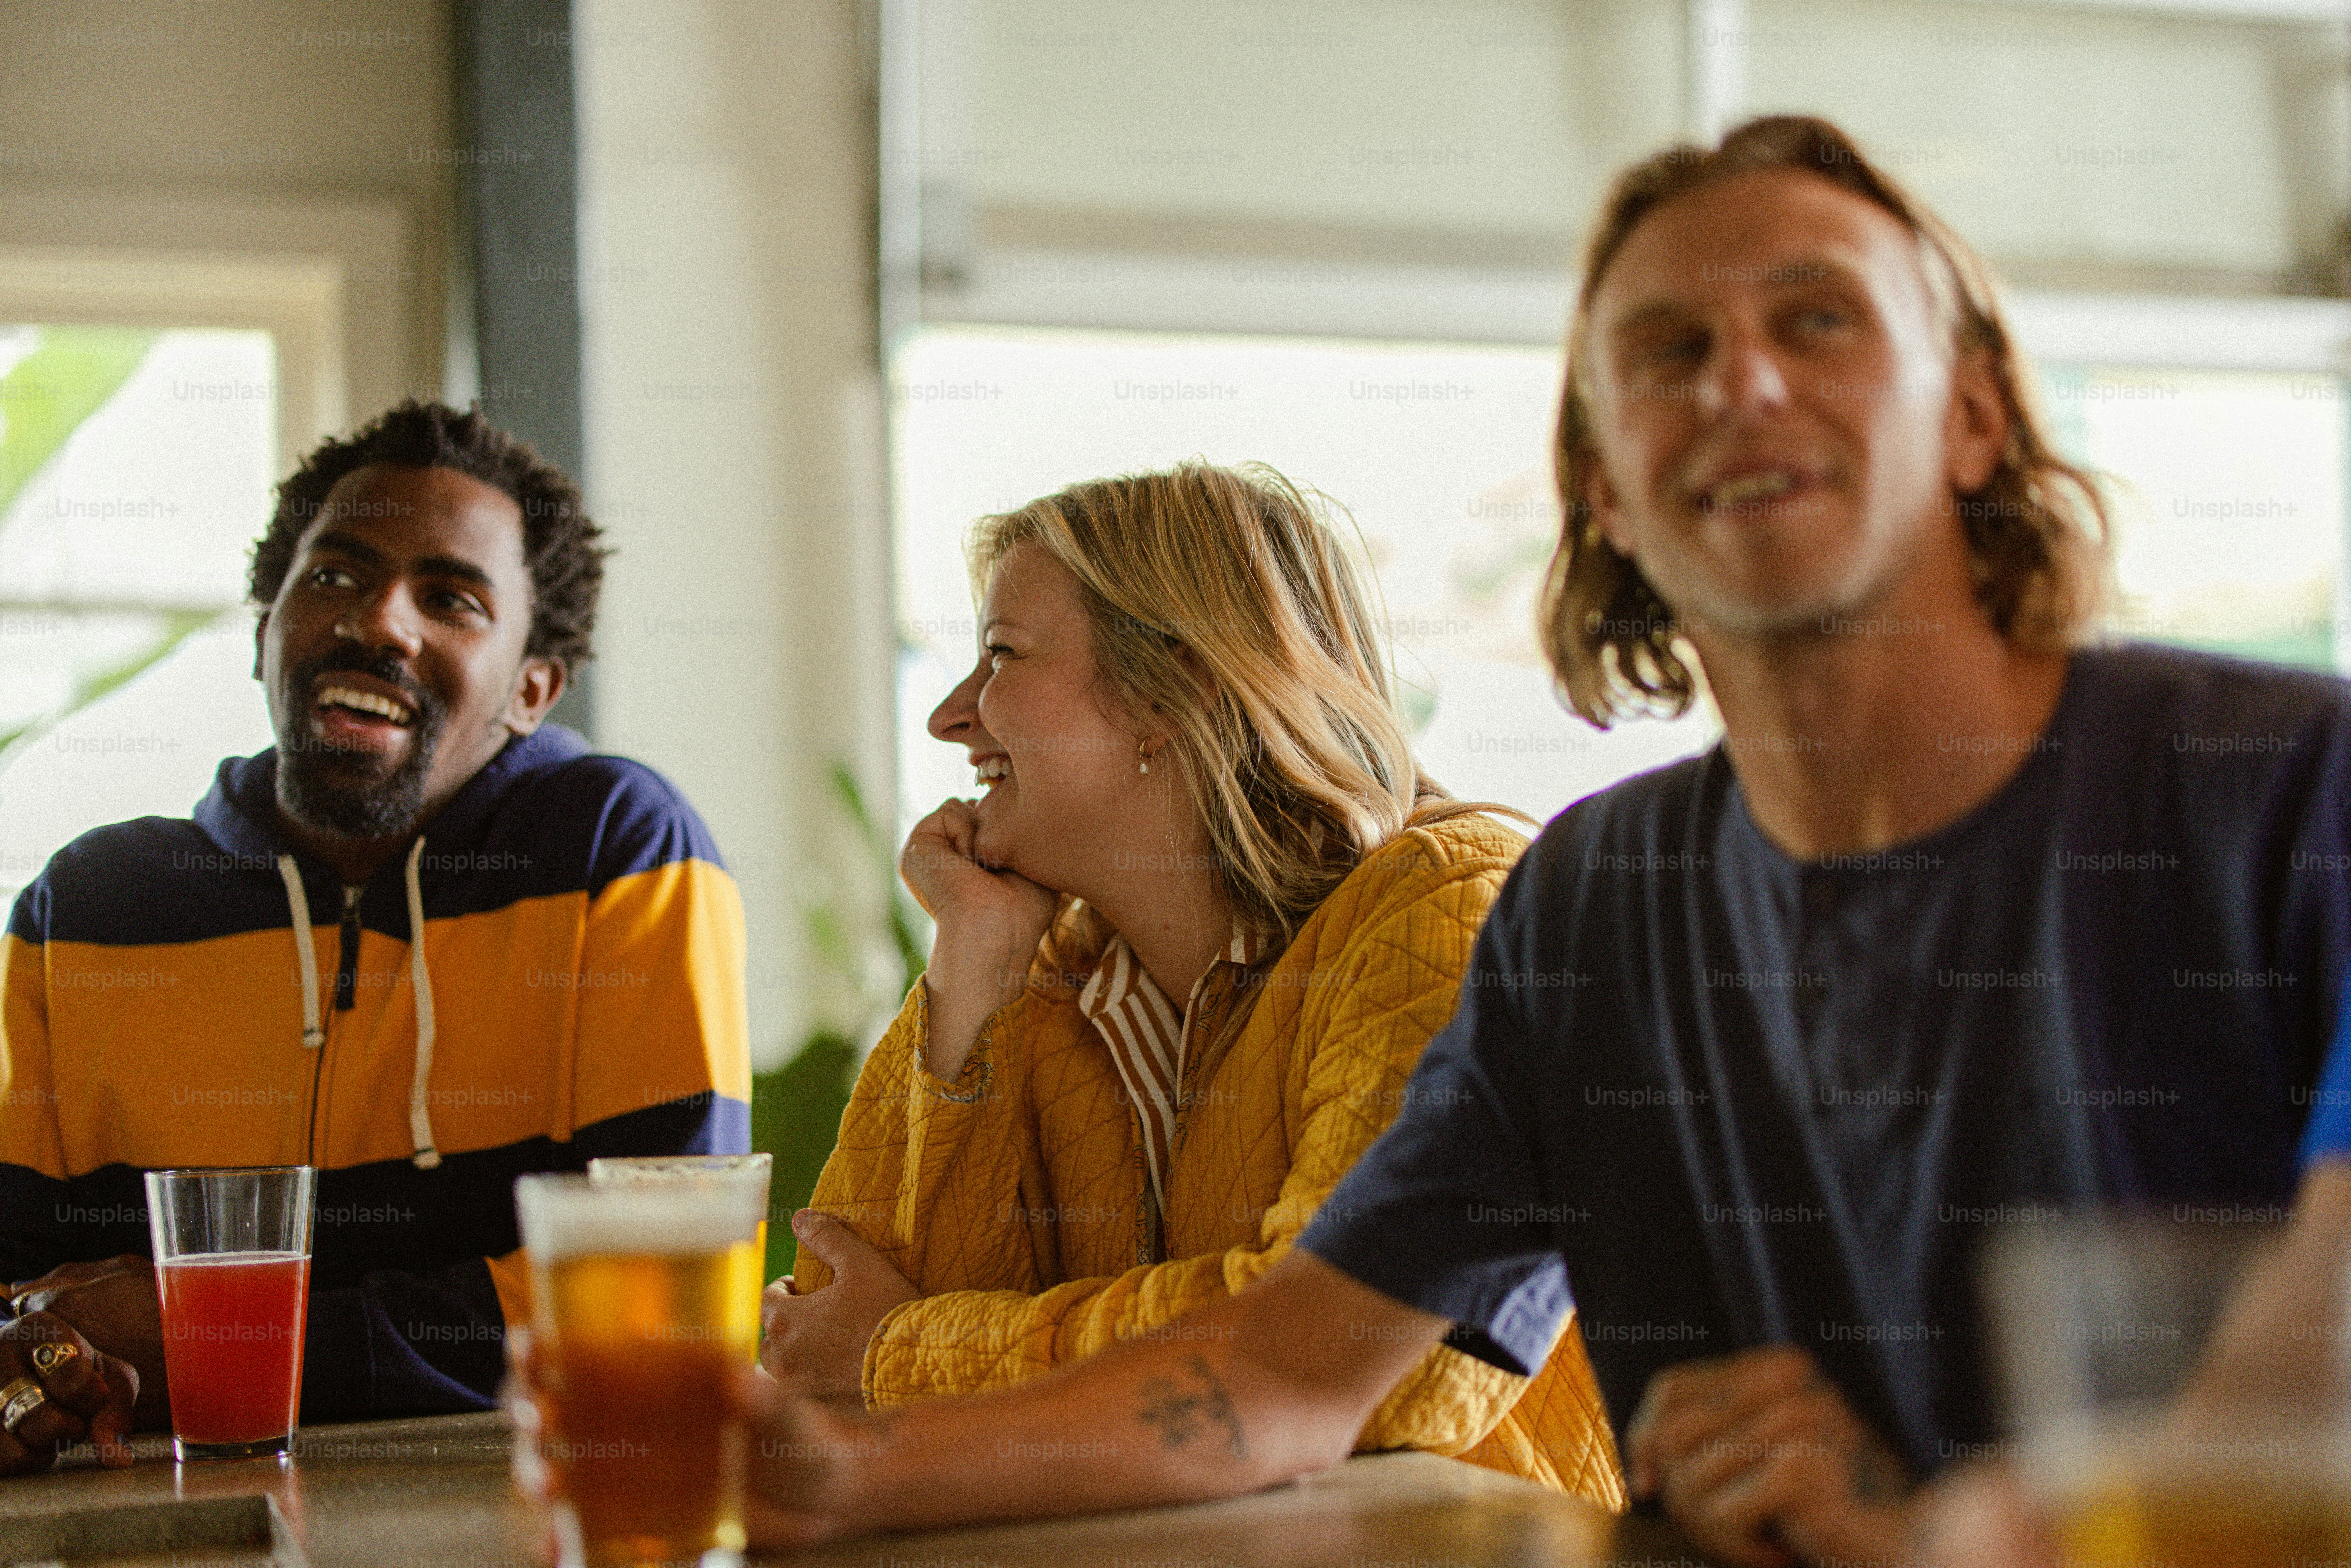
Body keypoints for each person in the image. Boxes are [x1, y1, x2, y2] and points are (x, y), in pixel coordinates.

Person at [721, 116, 2351, 1563]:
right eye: (1663, 349)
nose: (1740, 378)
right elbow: (1283, 1374)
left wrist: (1977, 1528)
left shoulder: (2289, 792)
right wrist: (847, 1481)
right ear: (1605, 485)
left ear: (1978, 416)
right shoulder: (1597, 899)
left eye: (1819, 319)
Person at [756, 462, 1622, 1504]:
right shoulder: (1043, 972)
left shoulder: (1447, 914)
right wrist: (974, 959)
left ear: (1178, 689)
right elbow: (824, 1324)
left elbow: (1373, 1387)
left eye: (999, 655)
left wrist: (900, 1356)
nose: (951, 718)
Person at [0, 401, 750, 1473]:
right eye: (336, 577)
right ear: (267, 627)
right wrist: (43, 1365)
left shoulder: (615, 852)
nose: (380, 624)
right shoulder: (86, 907)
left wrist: (201, 1336)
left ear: (531, 688)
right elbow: (22, 1303)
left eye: (450, 598)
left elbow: (661, 1298)